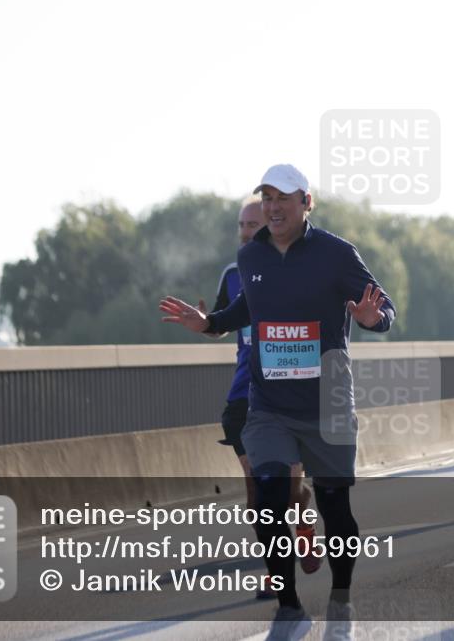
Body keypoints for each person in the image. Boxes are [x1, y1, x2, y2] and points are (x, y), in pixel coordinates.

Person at [161, 163, 395, 641]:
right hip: (268, 404)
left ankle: (341, 597)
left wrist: (372, 318)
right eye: (266, 198)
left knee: (334, 506)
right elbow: (247, 310)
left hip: (327, 400)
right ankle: (289, 605)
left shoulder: (336, 254)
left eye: (282, 198)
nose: (272, 206)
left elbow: (384, 310)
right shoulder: (252, 257)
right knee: (268, 498)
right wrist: (207, 323)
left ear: (306, 202)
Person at [206, 196, 322, 599]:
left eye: (252, 225)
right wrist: (204, 321)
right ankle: (277, 576)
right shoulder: (233, 274)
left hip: (289, 396)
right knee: (259, 495)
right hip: (244, 398)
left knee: (288, 493)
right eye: (241, 224)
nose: (244, 232)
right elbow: (221, 322)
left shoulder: (302, 269)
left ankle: (304, 524)